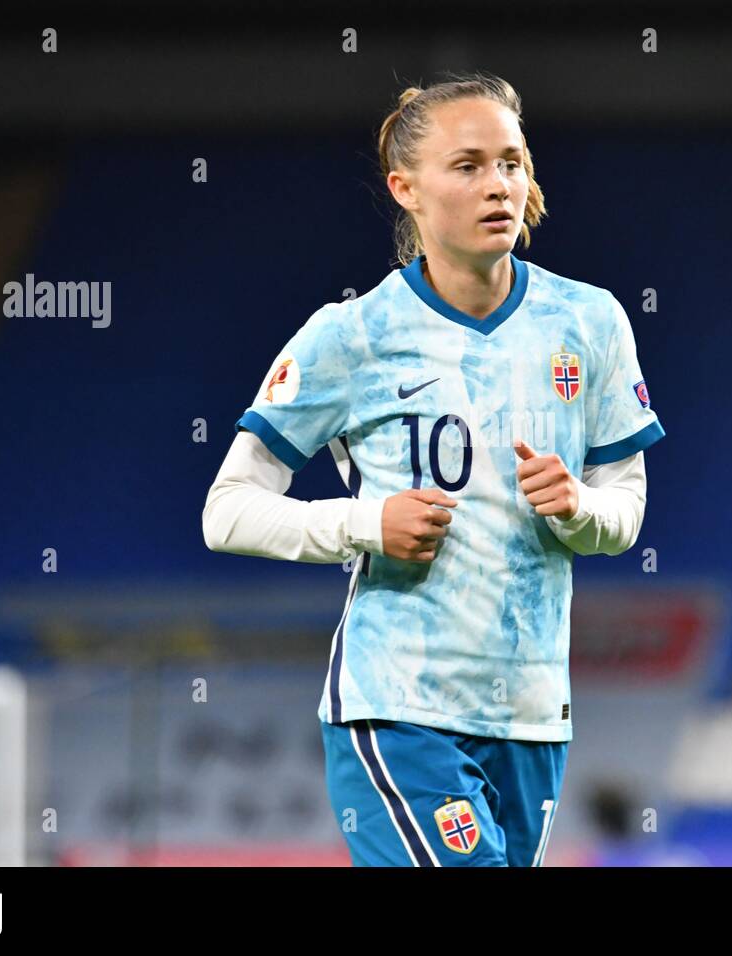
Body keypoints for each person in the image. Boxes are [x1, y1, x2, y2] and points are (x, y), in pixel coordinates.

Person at [203, 71, 664, 866]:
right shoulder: (353, 336)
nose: (500, 186)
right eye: (469, 166)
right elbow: (229, 509)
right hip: (397, 704)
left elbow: (625, 506)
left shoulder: (589, 321)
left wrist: (581, 509)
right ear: (406, 189)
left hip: (530, 712)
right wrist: (362, 525)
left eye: (513, 163)